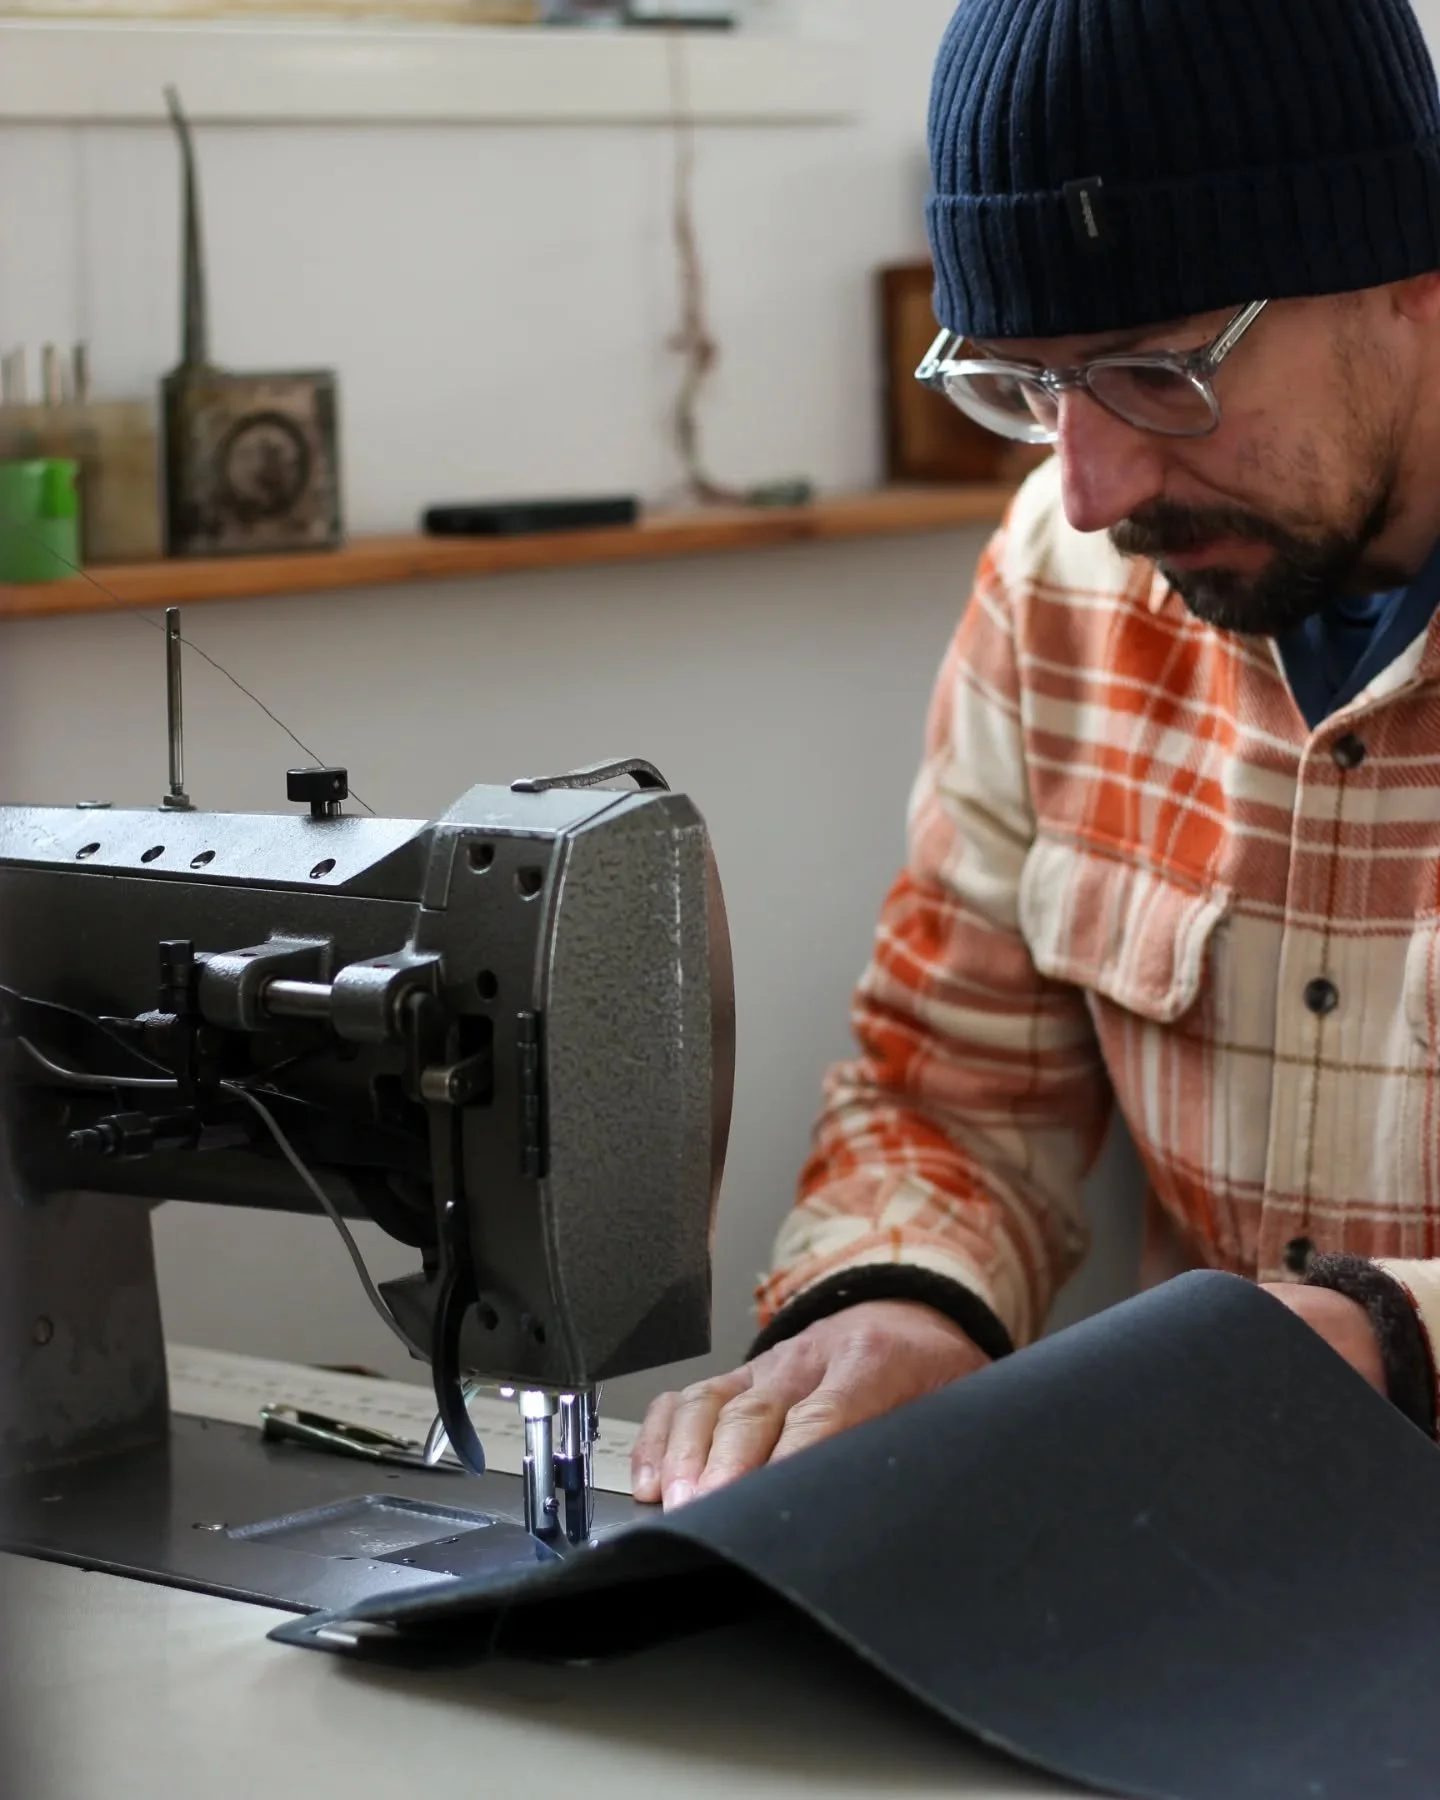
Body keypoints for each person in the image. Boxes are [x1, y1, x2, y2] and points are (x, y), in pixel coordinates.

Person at [633, 0, 1440, 1512]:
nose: (1089, 486)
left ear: (1408, 275)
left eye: (1158, 376)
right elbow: (952, 1092)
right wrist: (904, 1305)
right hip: (1206, 1579)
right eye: (1025, 386)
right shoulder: (1066, 585)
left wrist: (1392, 1340)